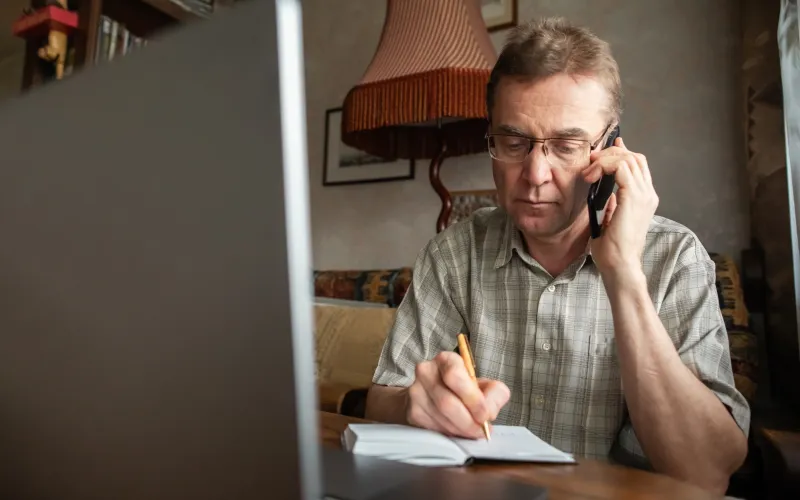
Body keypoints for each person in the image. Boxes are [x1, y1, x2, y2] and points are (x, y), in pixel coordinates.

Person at [365, 16, 750, 495]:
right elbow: (381, 400)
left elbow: (707, 471)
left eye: (567, 146)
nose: (535, 174)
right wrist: (414, 405)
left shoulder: (676, 258)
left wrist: (624, 272)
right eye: (513, 142)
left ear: (610, 149)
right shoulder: (455, 251)